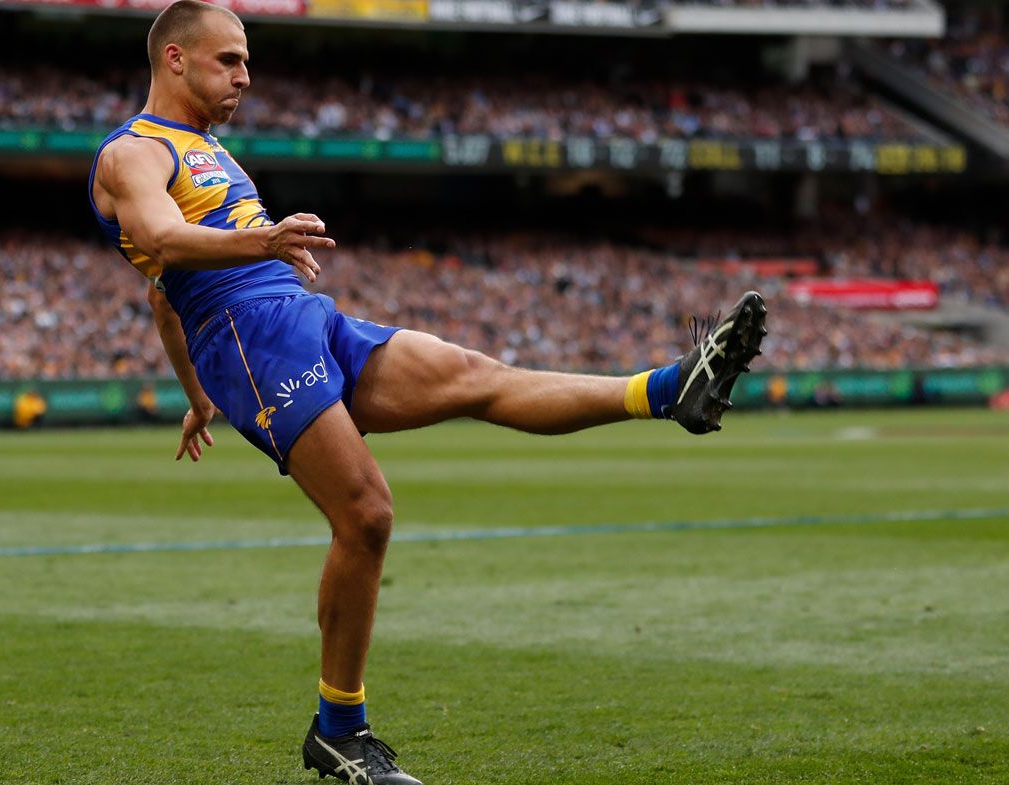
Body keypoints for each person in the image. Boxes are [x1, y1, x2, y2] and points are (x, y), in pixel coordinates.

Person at [87, 3, 767, 782]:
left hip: (303, 317)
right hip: (251, 336)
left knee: (477, 374)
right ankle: (339, 730)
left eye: (246, 62)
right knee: (366, 513)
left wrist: (196, 396)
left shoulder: (208, 150)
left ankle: (668, 389)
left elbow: (160, 297)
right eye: (228, 60)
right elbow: (168, 244)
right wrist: (262, 242)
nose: (245, 76)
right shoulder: (131, 154)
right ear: (174, 59)